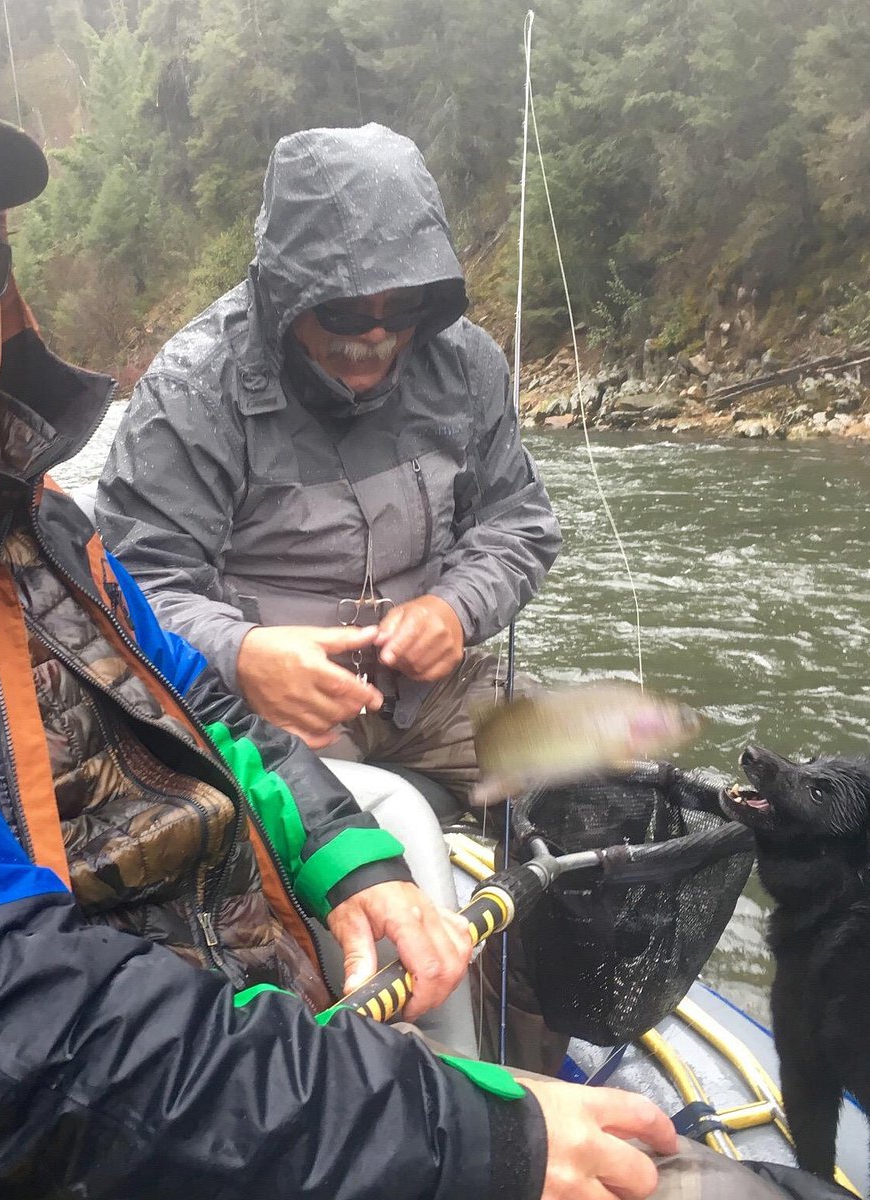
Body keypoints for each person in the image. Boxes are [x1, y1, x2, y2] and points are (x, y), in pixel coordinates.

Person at [0, 48, 677, 1200]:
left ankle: (539, 1052)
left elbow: (193, 683)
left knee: (592, 772)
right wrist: (475, 1145)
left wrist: (353, 849)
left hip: (397, 734)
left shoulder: (30, 514)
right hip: (21, 1114)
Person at [95, 122, 561, 813]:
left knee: (580, 774)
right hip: (257, 708)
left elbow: (517, 522)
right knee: (272, 852)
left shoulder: (466, 364)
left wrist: (454, 610)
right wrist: (242, 656)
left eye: (400, 306)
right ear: (286, 296)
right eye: (343, 311)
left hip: (432, 698)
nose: (374, 335)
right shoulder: (193, 390)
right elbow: (127, 587)